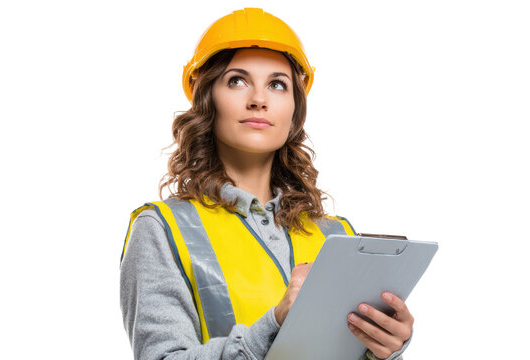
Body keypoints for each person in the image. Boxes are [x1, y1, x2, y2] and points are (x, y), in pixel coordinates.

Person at [120, 8, 414, 360]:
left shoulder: (336, 237)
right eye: (237, 80)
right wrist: (273, 323)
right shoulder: (161, 230)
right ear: (206, 100)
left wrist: (382, 348)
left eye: (277, 84)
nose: (259, 99)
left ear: (293, 113)